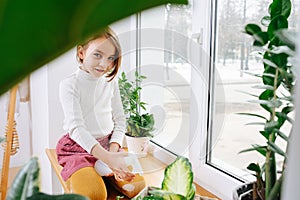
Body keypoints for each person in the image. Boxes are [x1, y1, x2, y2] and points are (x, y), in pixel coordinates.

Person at [56, 27, 144, 199]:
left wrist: (112, 152)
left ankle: (104, 172)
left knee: (138, 187)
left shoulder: (111, 83)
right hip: (77, 149)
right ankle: (97, 172)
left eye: (111, 58)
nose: (104, 64)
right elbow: (76, 129)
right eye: (97, 54)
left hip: (107, 145)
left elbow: (119, 120)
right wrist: (110, 160)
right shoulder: (69, 85)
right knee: (94, 194)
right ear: (81, 52)